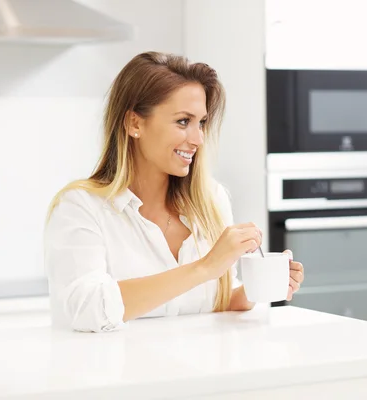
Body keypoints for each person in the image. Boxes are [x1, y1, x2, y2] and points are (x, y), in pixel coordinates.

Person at [43, 51, 304, 332]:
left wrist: (257, 288)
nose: (198, 139)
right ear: (134, 123)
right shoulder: (81, 207)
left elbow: (215, 301)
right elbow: (87, 309)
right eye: (183, 121)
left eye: (201, 123)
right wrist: (204, 267)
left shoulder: (211, 201)